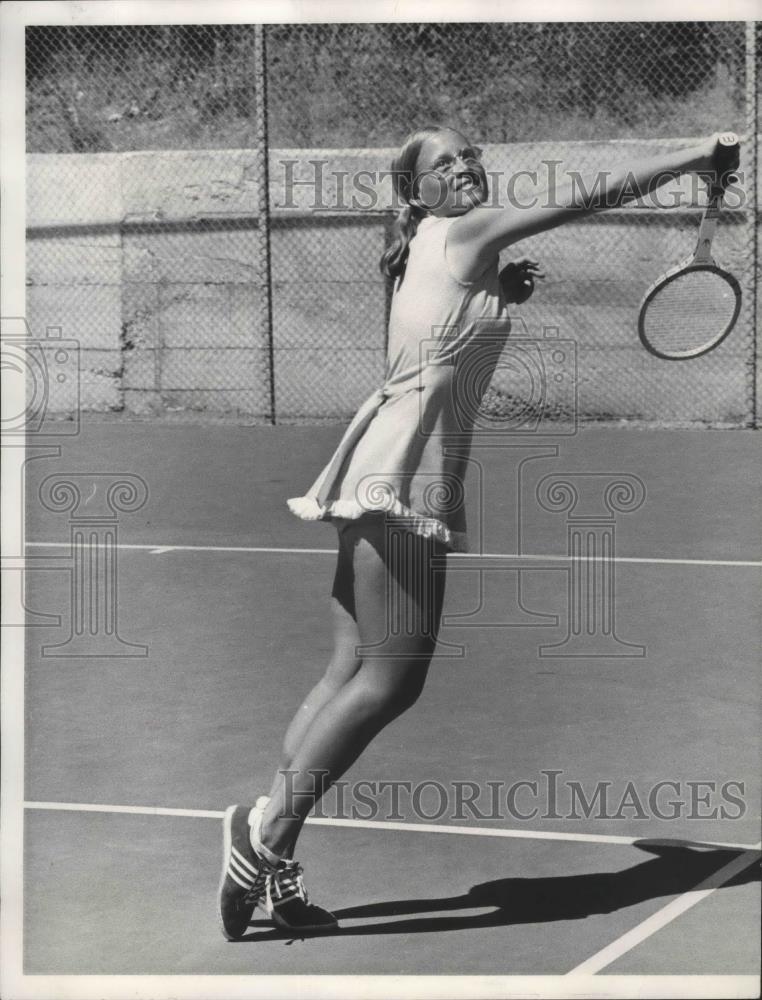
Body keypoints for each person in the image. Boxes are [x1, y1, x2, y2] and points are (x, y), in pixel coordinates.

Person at [218, 125, 739, 939]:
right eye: (444, 163)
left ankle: (264, 833)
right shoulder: (464, 231)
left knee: (349, 669)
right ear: (416, 191)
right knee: (394, 680)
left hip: (384, 462)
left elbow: (453, 324)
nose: (465, 168)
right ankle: (266, 837)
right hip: (401, 474)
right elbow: (586, 196)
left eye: (470, 157)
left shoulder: (443, 246)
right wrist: (694, 159)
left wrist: (503, 294)